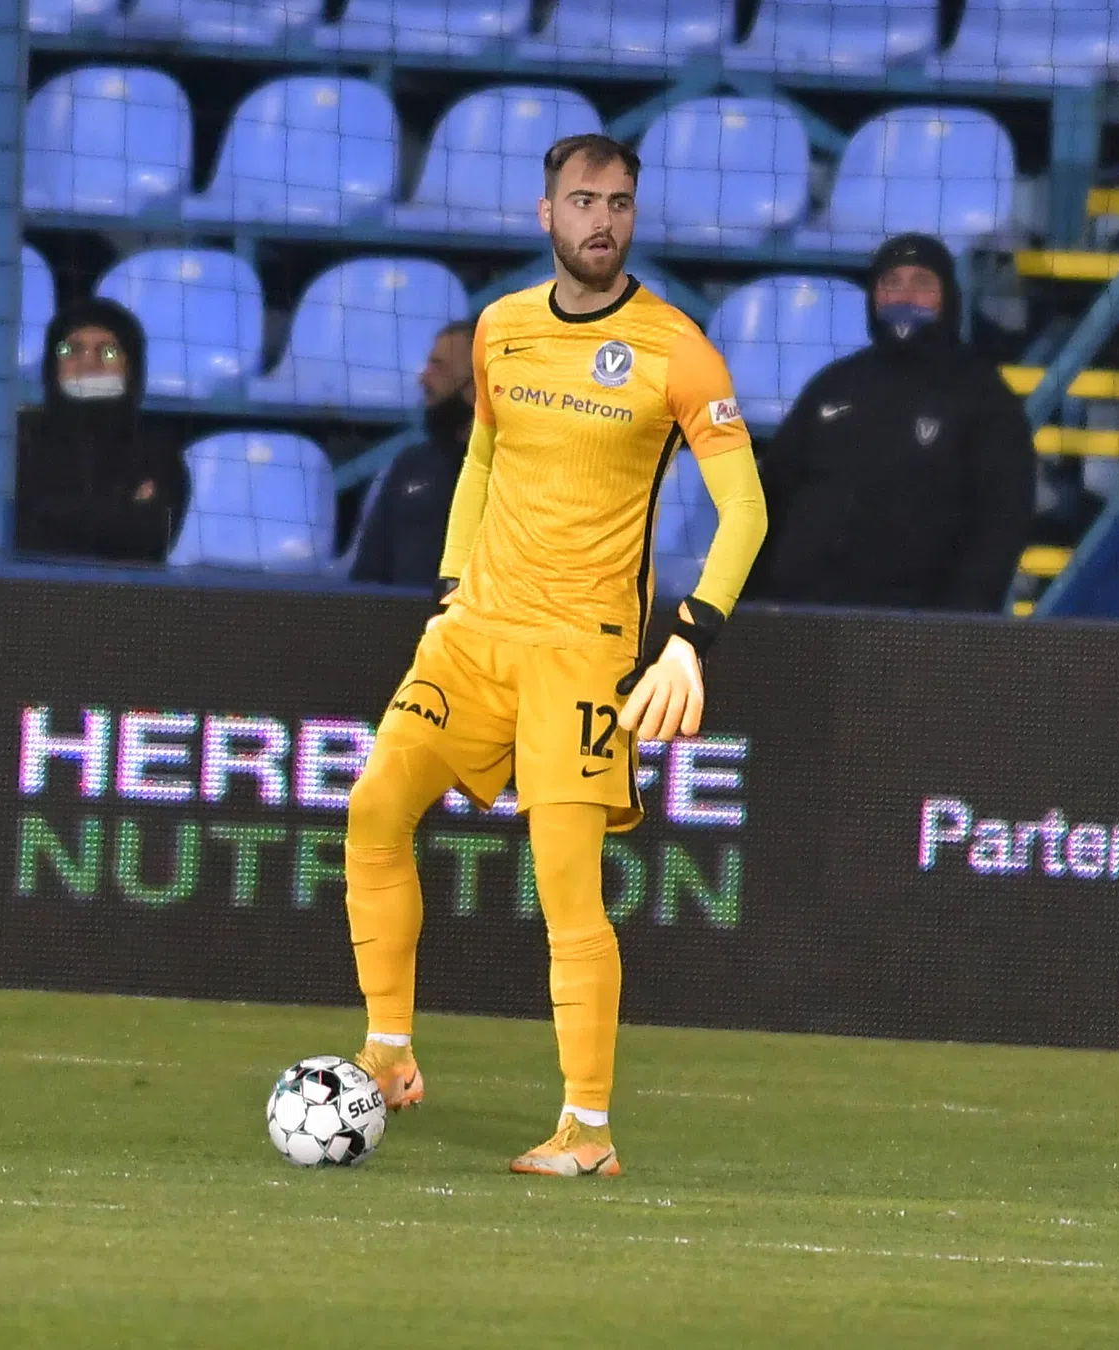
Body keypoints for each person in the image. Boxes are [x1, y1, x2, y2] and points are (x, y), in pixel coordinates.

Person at [344, 134, 768, 1177]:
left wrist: (689, 641)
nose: (602, 221)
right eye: (582, 201)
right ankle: (388, 1051)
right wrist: (451, 586)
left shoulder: (677, 349)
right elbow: (482, 455)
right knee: (373, 811)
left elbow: (746, 509)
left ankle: (588, 1129)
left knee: (566, 888)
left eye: (619, 202)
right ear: (546, 216)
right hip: (475, 634)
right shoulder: (501, 330)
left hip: (583, 653)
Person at [752, 233, 1035, 611]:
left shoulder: (985, 397)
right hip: (802, 617)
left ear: (947, 296)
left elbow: (1001, 521)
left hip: (915, 629)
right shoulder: (833, 385)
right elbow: (772, 494)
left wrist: (960, 621)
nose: (904, 297)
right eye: (891, 283)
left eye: (922, 284)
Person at [14, 298, 188, 563]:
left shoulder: (158, 449)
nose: (88, 364)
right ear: (51, 363)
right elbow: (20, 533)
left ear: (132, 367)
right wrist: (122, 510)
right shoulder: (20, 438)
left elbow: (151, 537)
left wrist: (54, 512)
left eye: (108, 352)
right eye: (70, 350)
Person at [349, 320, 478, 587]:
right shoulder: (411, 465)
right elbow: (368, 573)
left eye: (438, 367)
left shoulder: (516, 468)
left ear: (476, 384)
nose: (423, 378)